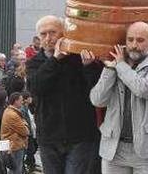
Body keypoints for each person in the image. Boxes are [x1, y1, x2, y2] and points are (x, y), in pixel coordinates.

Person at [90, 21, 148, 173]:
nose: (134, 45)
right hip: (114, 148)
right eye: (130, 39)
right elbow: (97, 100)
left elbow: (144, 89)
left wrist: (120, 66)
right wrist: (110, 68)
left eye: (140, 40)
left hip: (146, 150)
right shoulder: (116, 63)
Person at [26, 15, 102, 173]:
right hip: (49, 136)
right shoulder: (34, 63)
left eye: (53, 32)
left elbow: (98, 90)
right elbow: (37, 87)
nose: (48, 38)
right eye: (43, 34)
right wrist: (55, 60)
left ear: (64, 33)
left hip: (80, 136)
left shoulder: (78, 57)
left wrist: (89, 67)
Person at [0, 93, 28, 174]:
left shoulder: (8, 111)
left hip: (11, 144)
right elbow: (25, 131)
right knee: (16, 170)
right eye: (21, 100)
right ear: (15, 101)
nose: (22, 102)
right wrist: (25, 124)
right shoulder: (13, 115)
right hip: (14, 146)